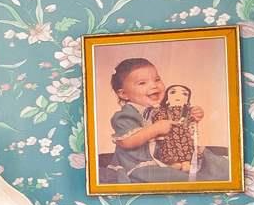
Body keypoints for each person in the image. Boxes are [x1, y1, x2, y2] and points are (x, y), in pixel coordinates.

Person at [98, 55, 229, 184]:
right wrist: (155, 129)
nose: (154, 86)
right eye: (142, 83)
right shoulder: (126, 114)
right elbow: (126, 142)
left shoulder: (162, 108)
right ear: (124, 94)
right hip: (139, 162)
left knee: (210, 162)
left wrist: (193, 115)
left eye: (157, 79)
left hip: (167, 157)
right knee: (170, 177)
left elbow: (180, 123)